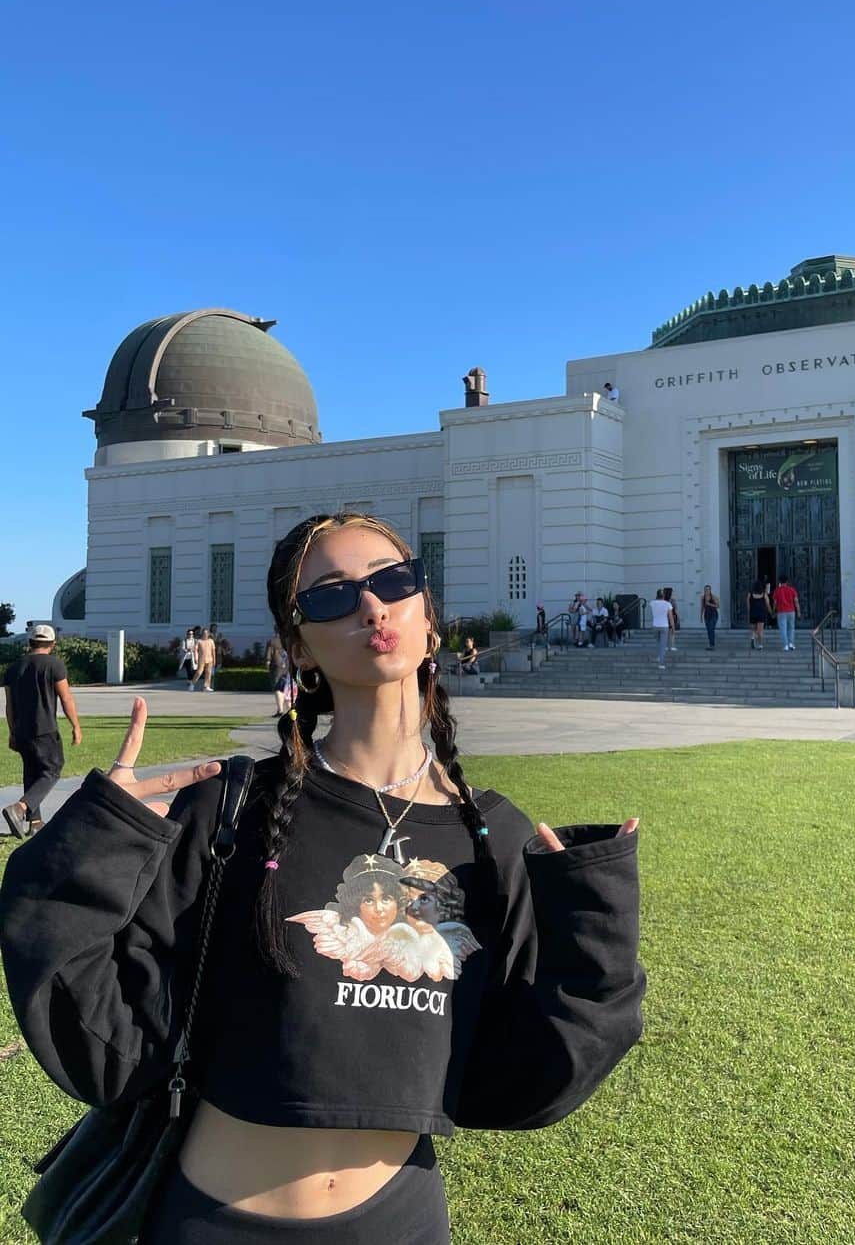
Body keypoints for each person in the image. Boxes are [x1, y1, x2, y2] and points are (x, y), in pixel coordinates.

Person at [0, 512, 644, 1244]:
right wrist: (91, 842)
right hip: (210, 1220)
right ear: (298, 647)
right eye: (332, 595)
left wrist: (599, 933)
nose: (372, 606)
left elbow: (524, 1078)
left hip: (398, 1223)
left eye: (393, 582)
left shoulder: (492, 838)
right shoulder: (232, 807)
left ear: (427, 618)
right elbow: (103, 1036)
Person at [2, 624, 82, 839]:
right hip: (45, 729)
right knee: (52, 770)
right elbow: (66, 698)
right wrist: (75, 726)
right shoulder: (54, 665)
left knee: (32, 773)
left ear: (29, 643)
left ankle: (35, 823)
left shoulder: (14, 668)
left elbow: (9, 706)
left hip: (22, 731)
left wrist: (12, 732)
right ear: (53, 644)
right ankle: (20, 808)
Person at [772, 576, 800, 651]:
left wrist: (773, 610)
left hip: (781, 612)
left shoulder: (777, 591)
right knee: (791, 628)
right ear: (787, 582)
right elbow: (796, 601)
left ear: (779, 582)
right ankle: (791, 643)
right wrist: (798, 611)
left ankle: (785, 645)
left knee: (783, 629)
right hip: (791, 611)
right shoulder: (792, 590)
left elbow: (775, 602)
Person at [266, 633, 292, 716]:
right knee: (286, 691)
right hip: (288, 669)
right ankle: (289, 712)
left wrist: (268, 661)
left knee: (279, 689)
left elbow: (269, 653)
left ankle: (281, 710)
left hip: (278, 667)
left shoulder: (272, 641)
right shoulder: (289, 640)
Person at [650, 588, 674, 668]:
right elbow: (670, 617)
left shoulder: (652, 603)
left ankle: (658, 656)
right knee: (663, 645)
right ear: (663, 595)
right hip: (664, 626)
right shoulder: (667, 604)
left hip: (655, 625)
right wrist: (673, 627)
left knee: (658, 642)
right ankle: (661, 663)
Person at [190, 627, 217, 692]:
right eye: (203, 633)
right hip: (201, 659)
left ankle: (206, 686)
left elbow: (213, 651)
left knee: (208, 673)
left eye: (206, 633)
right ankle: (192, 684)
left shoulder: (211, 641)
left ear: (208, 634)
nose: (204, 634)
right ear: (202, 634)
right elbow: (195, 650)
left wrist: (214, 660)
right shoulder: (199, 641)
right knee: (199, 672)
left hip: (210, 659)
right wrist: (196, 657)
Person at [747, 579, 770, 650]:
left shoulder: (750, 594)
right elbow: (767, 604)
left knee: (753, 629)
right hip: (761, 613)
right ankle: (760, 645)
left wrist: (749, 613)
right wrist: (770, 612)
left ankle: (753, 637)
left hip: (753, 613)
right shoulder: (764, 594)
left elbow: (748, 605)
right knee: (760, 631)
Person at [700, 585, 720, 649]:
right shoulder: (703, 597)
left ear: (710, 590)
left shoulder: (713, 597)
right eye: (705, 589)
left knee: (711, 629)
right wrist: (701, 616)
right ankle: (711, 644)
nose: (707, 591)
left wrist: (709, 604)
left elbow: (718, 606)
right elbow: (702, 607)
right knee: (709, 630)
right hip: (707, 615)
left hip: (713, 615)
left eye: (708, 589)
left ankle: (712, 645)